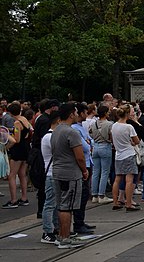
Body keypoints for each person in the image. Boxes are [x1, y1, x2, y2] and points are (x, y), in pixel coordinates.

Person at [50, 102, 89, 249]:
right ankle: (65, 238)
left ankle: (61, 235)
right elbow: (79, 156)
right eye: (76, 112)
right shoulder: (71, 132)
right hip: (70, 173)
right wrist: (84, 170)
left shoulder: (56, 130)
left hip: (57, 171)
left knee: (61, 205)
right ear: (71, 114)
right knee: (67, 206)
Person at [70, 103, 95, 235]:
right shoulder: (75, 128)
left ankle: (81, 221)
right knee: (82, 194)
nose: (87, 114)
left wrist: (89, 142)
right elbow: (85, 146)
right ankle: (78, 224)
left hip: (88, 162)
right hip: (83, 164)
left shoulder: (81, 127)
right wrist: (89, 143)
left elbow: (91, 141)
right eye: (85, 112)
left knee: (85, 194)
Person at [111, 105, 140, 212]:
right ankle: (128, 203)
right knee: (129, 179)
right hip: (128, 153)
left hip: (118, 155)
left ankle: (115, 202)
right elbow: (136, 141)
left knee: (117, 179)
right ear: (127, 114)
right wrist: (131, 142)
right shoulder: (129, 127)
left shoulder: (114, 126)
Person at [3, 102, 31, 208]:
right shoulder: (24, 119)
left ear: (10, 113)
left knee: (12, 175)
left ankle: (13, 200)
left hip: (18, 150)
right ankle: (24, 198)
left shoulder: (16, 123)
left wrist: (6, 146)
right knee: (22, 174)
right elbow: (27, 132)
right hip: (25, 148)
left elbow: (16, 140)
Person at [39, 114, 60, 245]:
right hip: (52, 173)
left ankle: (54, 228)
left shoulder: (49, 136)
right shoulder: (50, 137)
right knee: (50, 203)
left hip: (54, 173)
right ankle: (47, 232)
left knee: (55, 203)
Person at [88, 105, 114, 204]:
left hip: (96, 147)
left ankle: (94, 194)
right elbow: (111, 136)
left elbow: (90, 134)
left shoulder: (94, 123)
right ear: (105, 113)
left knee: (95, 172)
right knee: (105, 172)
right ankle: (101, 195)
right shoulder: (109, 124)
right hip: (105, 146)